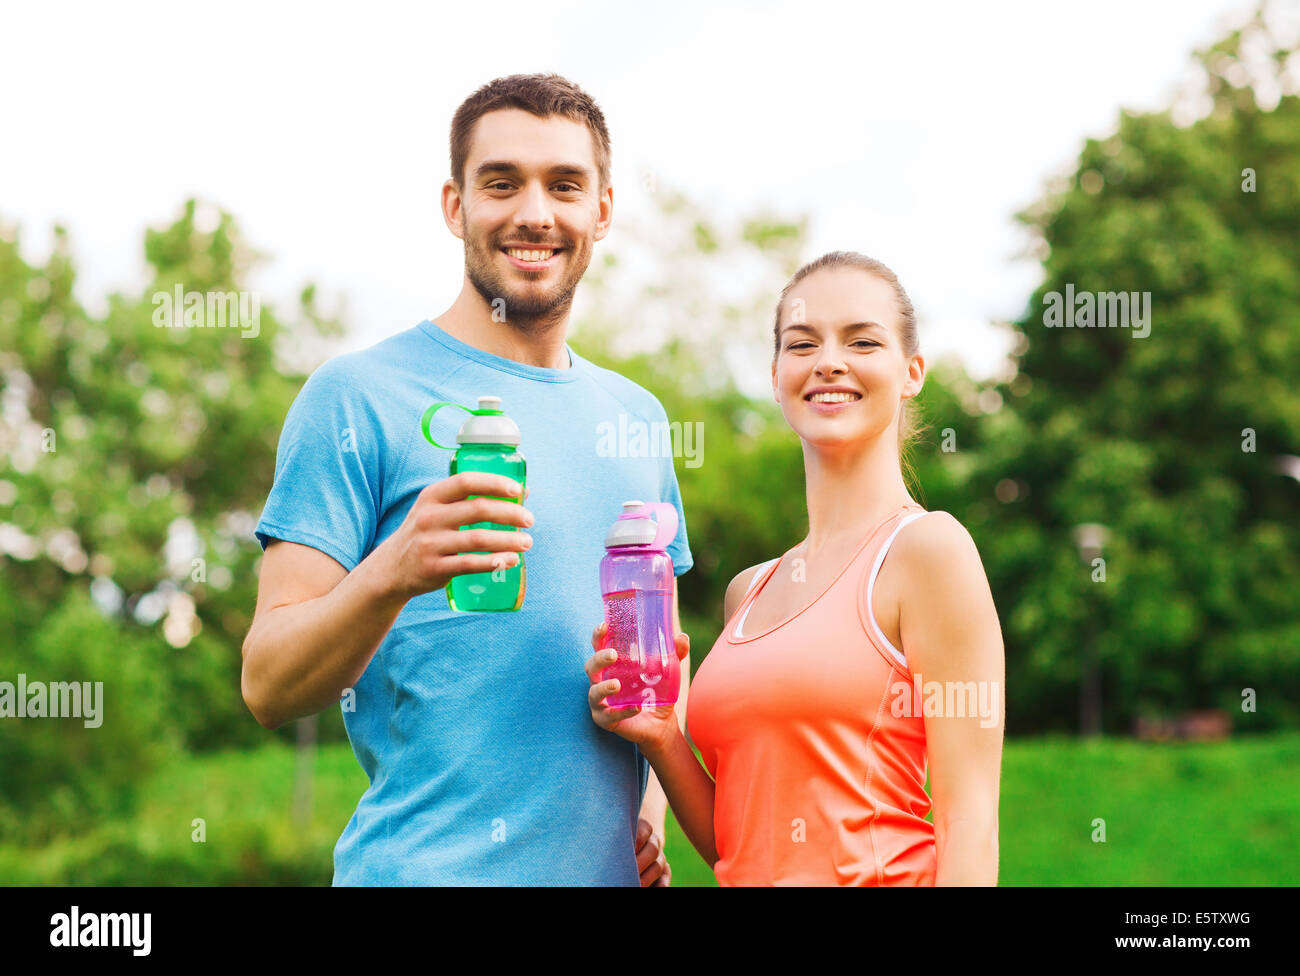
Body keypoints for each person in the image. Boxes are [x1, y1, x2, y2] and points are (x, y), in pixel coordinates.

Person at [243, 73, 693, 886]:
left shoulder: (639, 419)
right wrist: (394, 569)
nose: (534, 213)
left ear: (603, 209)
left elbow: (661, 653)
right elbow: (268, 683)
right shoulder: (356, 398)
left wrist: (646, 813)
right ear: (455, 206)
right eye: (501, 183)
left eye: (564, 185)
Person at [586, 251, 1004, 885]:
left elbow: (969, 826)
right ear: (778, 372)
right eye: (802, 343)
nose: (829, 361)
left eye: (862, 340)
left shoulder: (930, 551)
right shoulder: (747, 592)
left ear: (912, 371)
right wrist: (664, 737)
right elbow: (743, 844)